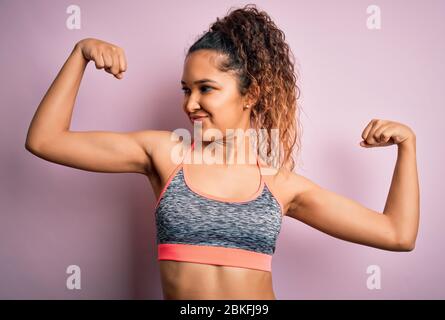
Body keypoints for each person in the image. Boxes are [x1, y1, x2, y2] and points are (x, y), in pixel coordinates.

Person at [24, 4, 420, 300]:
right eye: (186, 89)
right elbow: (46, 140)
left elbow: (397, 234)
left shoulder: (280, 186)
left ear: (251, 94)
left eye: (206, 88)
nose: (190, 103)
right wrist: (79, 54)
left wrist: (407, 145)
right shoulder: (164, 154)